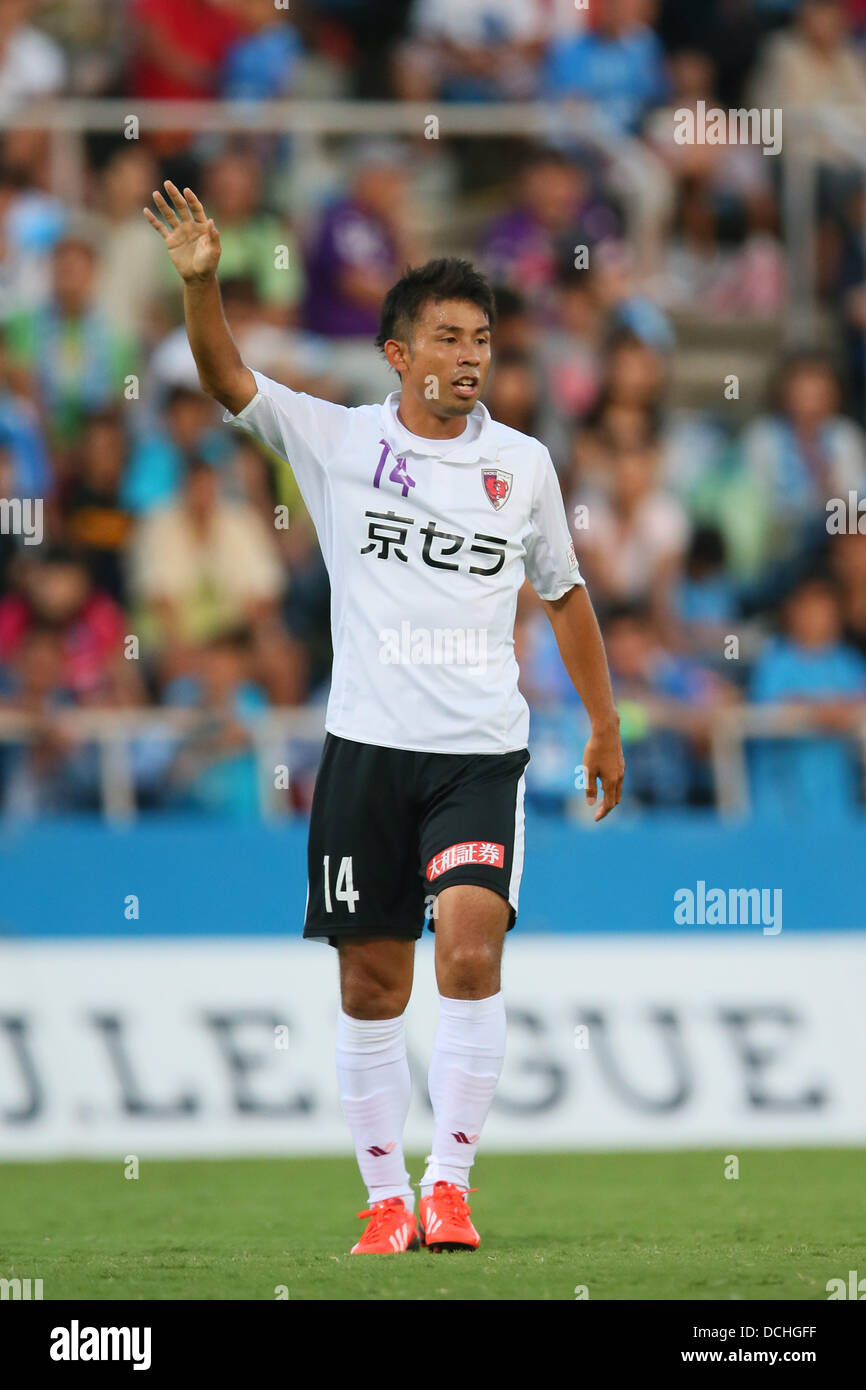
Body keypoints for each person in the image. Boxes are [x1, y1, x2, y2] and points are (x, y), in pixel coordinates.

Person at [144, 179, 625, 1255]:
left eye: (482, 339)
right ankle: (381, 1200)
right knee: (371, 980)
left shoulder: (522, 467)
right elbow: (226, 376)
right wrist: (205, 282)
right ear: (397, 355)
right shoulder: (338, 440)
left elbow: (565, 594)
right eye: (446, 338)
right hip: (364, 748)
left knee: (467, 952)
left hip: (477, 755)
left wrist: (602, 723)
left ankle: (448, 1184)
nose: (468, 356)